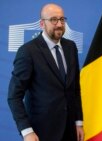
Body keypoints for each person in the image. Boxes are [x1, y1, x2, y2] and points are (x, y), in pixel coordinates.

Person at [7, 3, 84, 141]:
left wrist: (78, 122)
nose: (59, 24)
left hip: (70, 131)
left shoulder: (71, 47)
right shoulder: (28, 51)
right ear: (42, 24)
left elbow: (75, 88)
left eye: (62, 19)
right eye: (54, 20)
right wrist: (26, 131)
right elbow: (14, 96)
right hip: (41, 133)